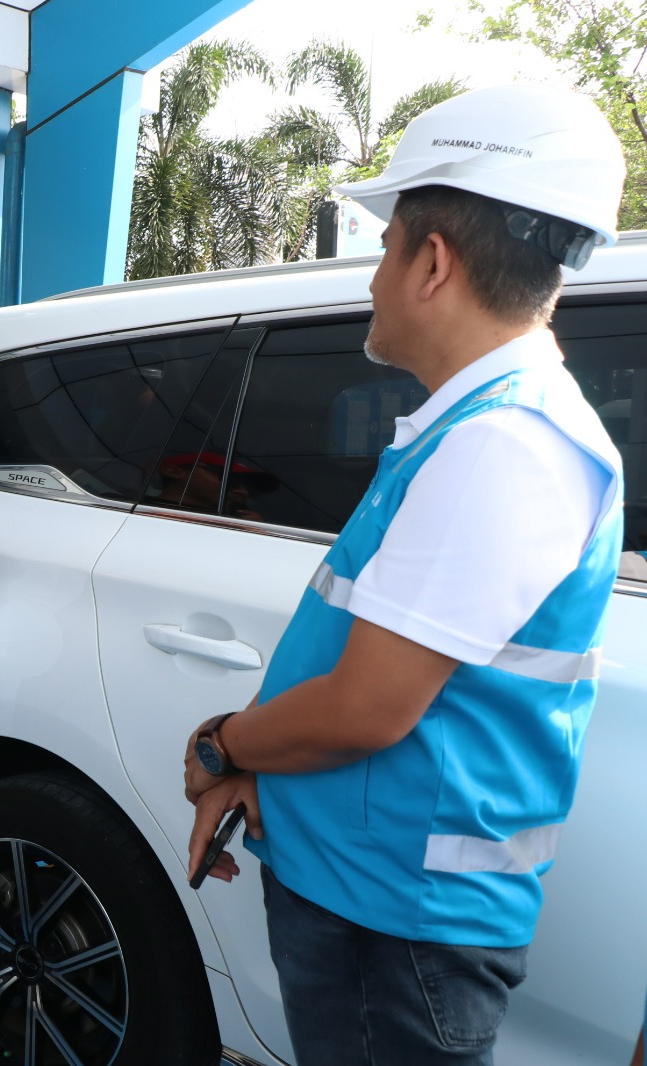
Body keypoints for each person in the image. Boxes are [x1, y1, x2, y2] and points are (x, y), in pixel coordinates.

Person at [181, 84, 626, 1066]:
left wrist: (221, 743)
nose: (373, 280)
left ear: (432, 262)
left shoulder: (506, 443)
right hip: (369, 895)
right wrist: (256, 760)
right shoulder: (480, 428)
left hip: (395, 923)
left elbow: (366, 708)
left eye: (385, 250)